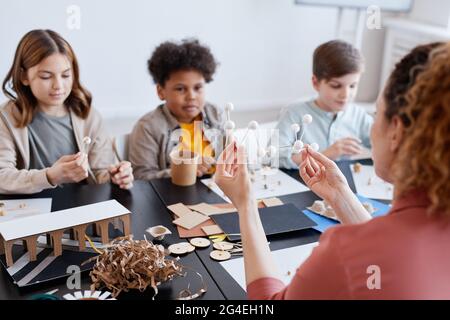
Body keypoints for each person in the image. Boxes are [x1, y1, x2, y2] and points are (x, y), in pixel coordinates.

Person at [214, 42, 450, 299]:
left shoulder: (344, 252)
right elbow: (391, 253)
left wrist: (245, 204)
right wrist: (341, 196)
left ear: (396, 132)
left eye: (377, 113)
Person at [0, 29, 133, 194]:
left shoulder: (87, 114)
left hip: (80, 207)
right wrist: (50, 177)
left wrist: (116, 176)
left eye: (65, 75)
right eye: (46, 77)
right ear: (23, 76)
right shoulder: (5, 117)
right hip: (28, 212)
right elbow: (2, 177)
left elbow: (100, 173)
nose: (58, 86)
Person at [129, 39, 223, 180]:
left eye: (198, 88)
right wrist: (185, 170)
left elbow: (232, 158)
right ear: (161, 91)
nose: (191, 96)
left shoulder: (215, 113)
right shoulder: (147, 127)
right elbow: (141, 178)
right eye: (180, 89)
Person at [276, 40, 373, 166]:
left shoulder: (358, 115)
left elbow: (382, 144)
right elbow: (276, 158)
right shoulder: (294, 114)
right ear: (316, 83)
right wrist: (327, 154)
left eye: (353, 86)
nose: (346, 95)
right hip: (303, 183)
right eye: (336, 86)